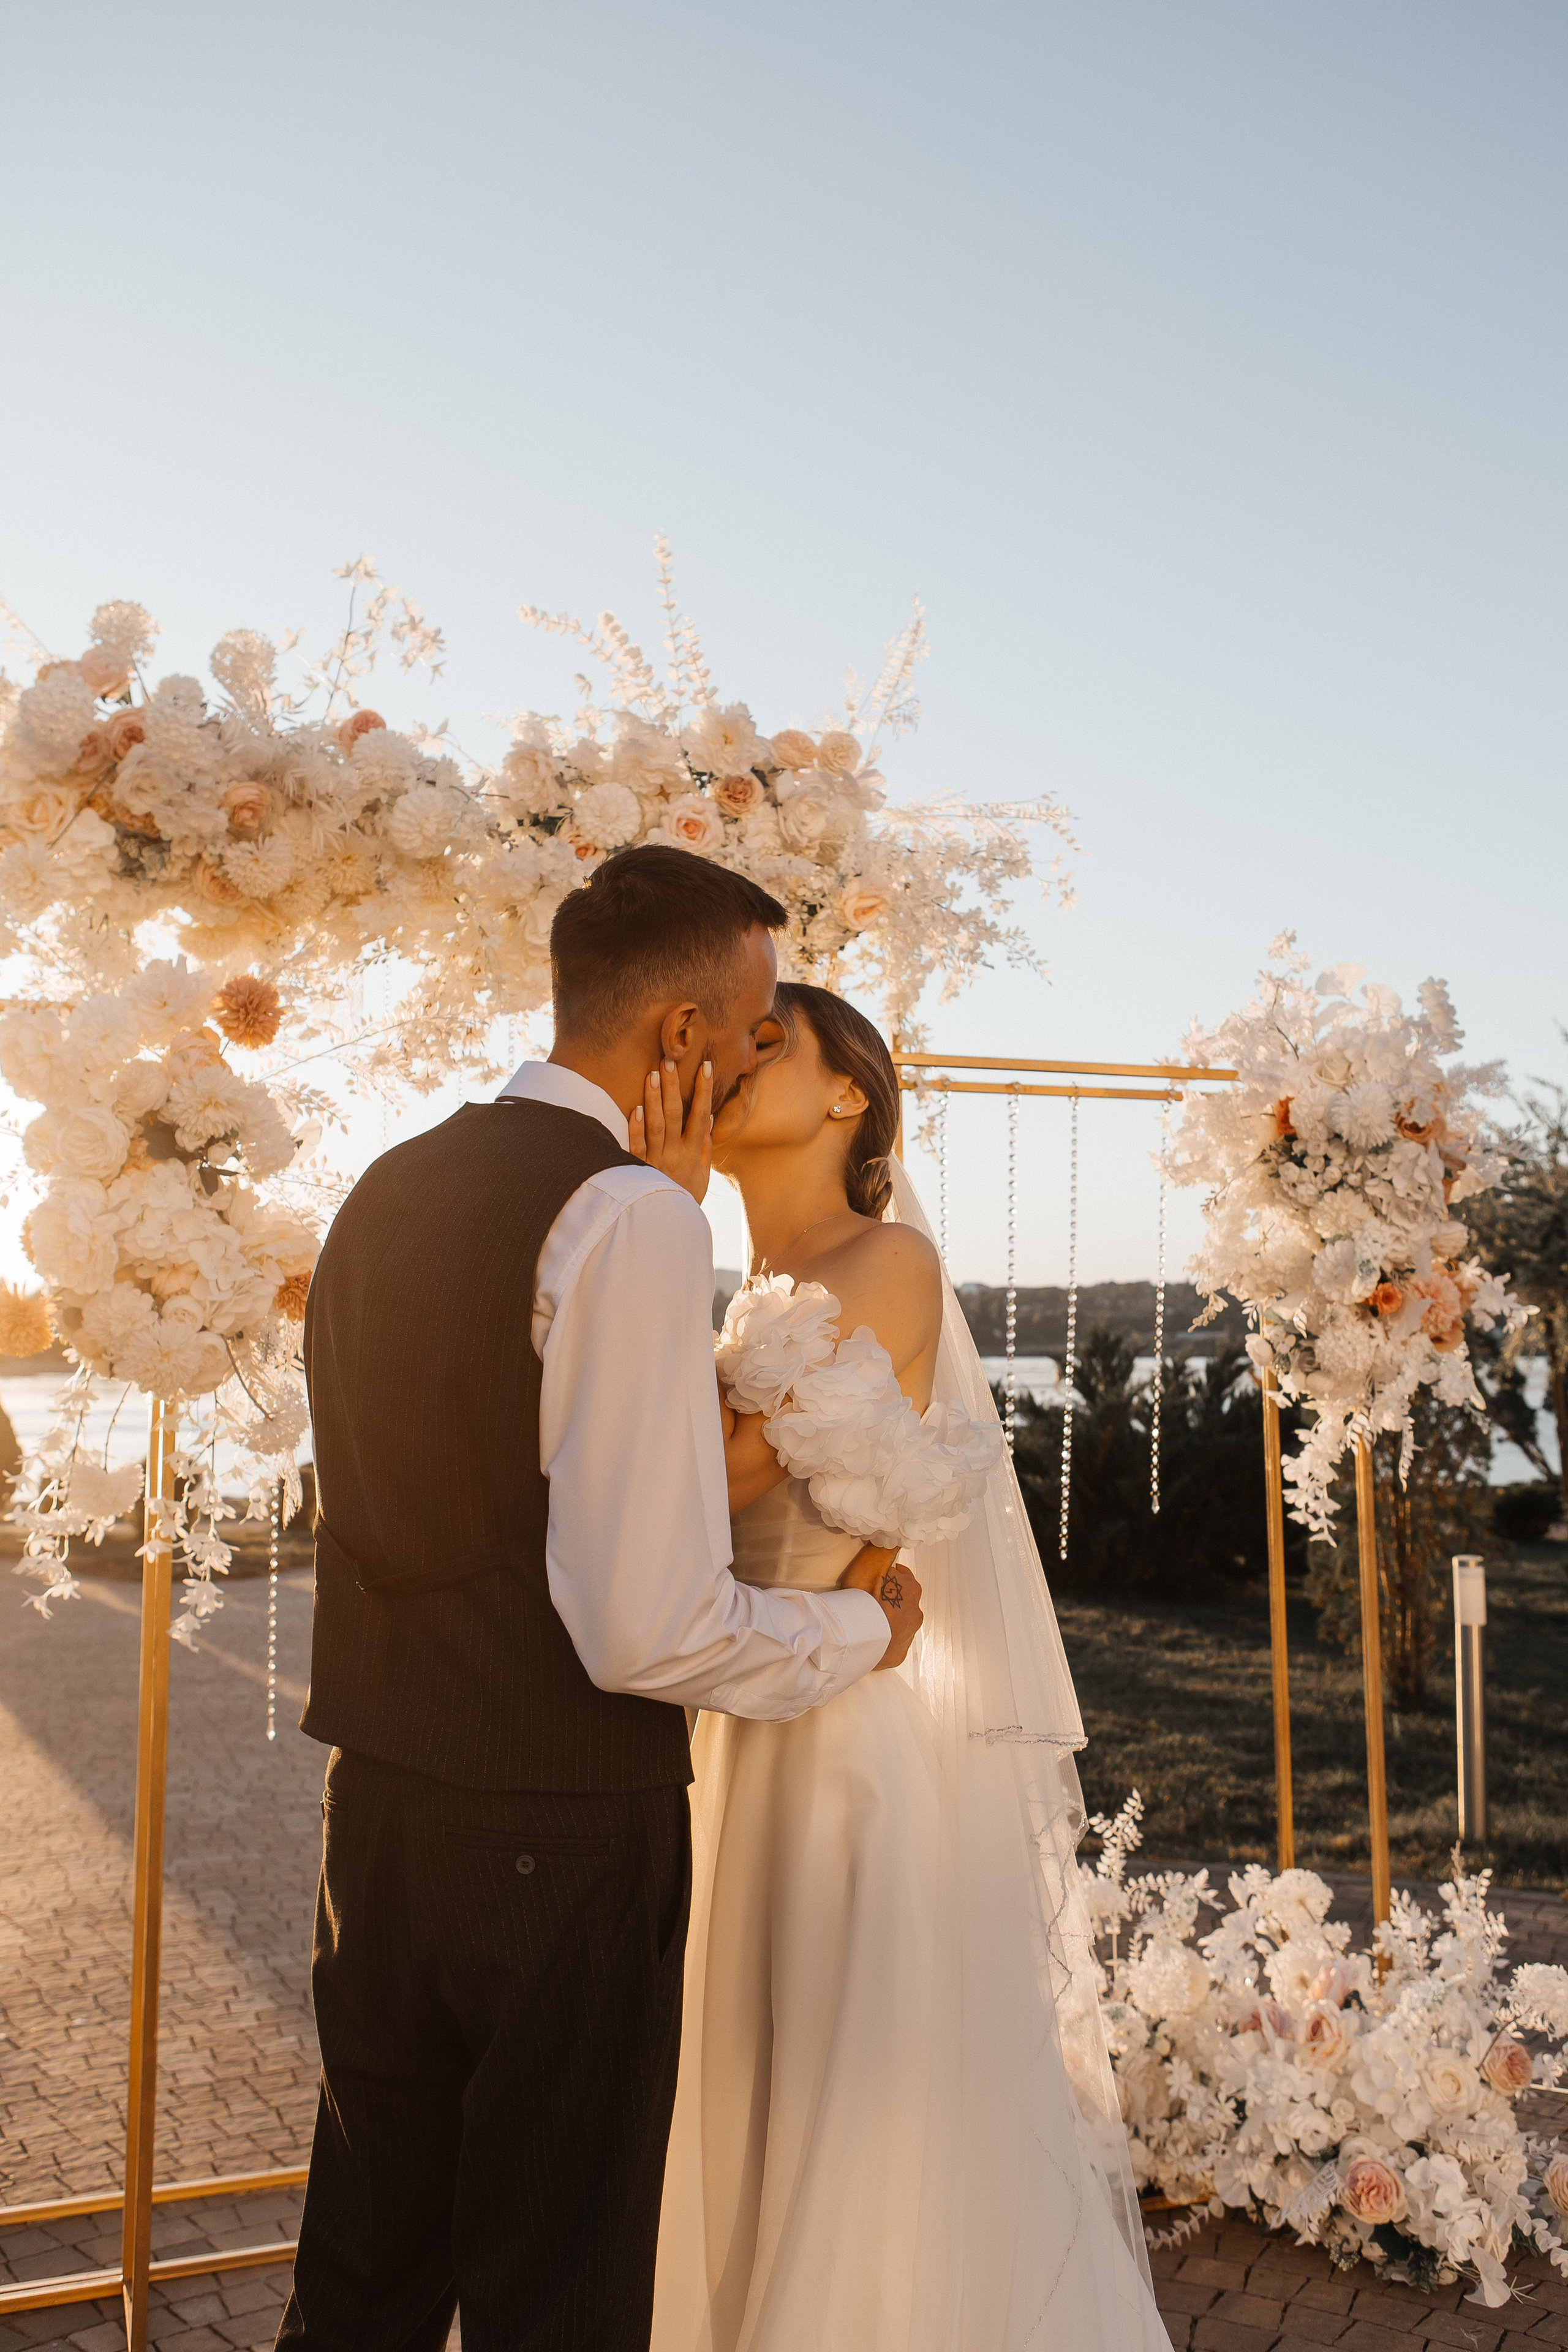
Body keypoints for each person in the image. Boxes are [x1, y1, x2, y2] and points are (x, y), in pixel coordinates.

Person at [277, 849, 922, 2352]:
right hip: (556, 1835)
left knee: (363, 2277)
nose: (756, 1054)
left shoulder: (392, 1177)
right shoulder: (628, 1215)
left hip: (377, 1814)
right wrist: (861, 1631)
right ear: (680, 1036)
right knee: (554, 2293)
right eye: (752, 1027)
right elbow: (648, 1625)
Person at [646, 983, 1172, 2352]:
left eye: (771, 1041)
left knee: (833, 2103)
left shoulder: (883, 1262)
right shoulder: (740, 1293)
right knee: (725, 2078)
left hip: (828, 1743)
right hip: (722, 1717)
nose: (732, 1057)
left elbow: (691, 1486)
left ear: (850, 1096)